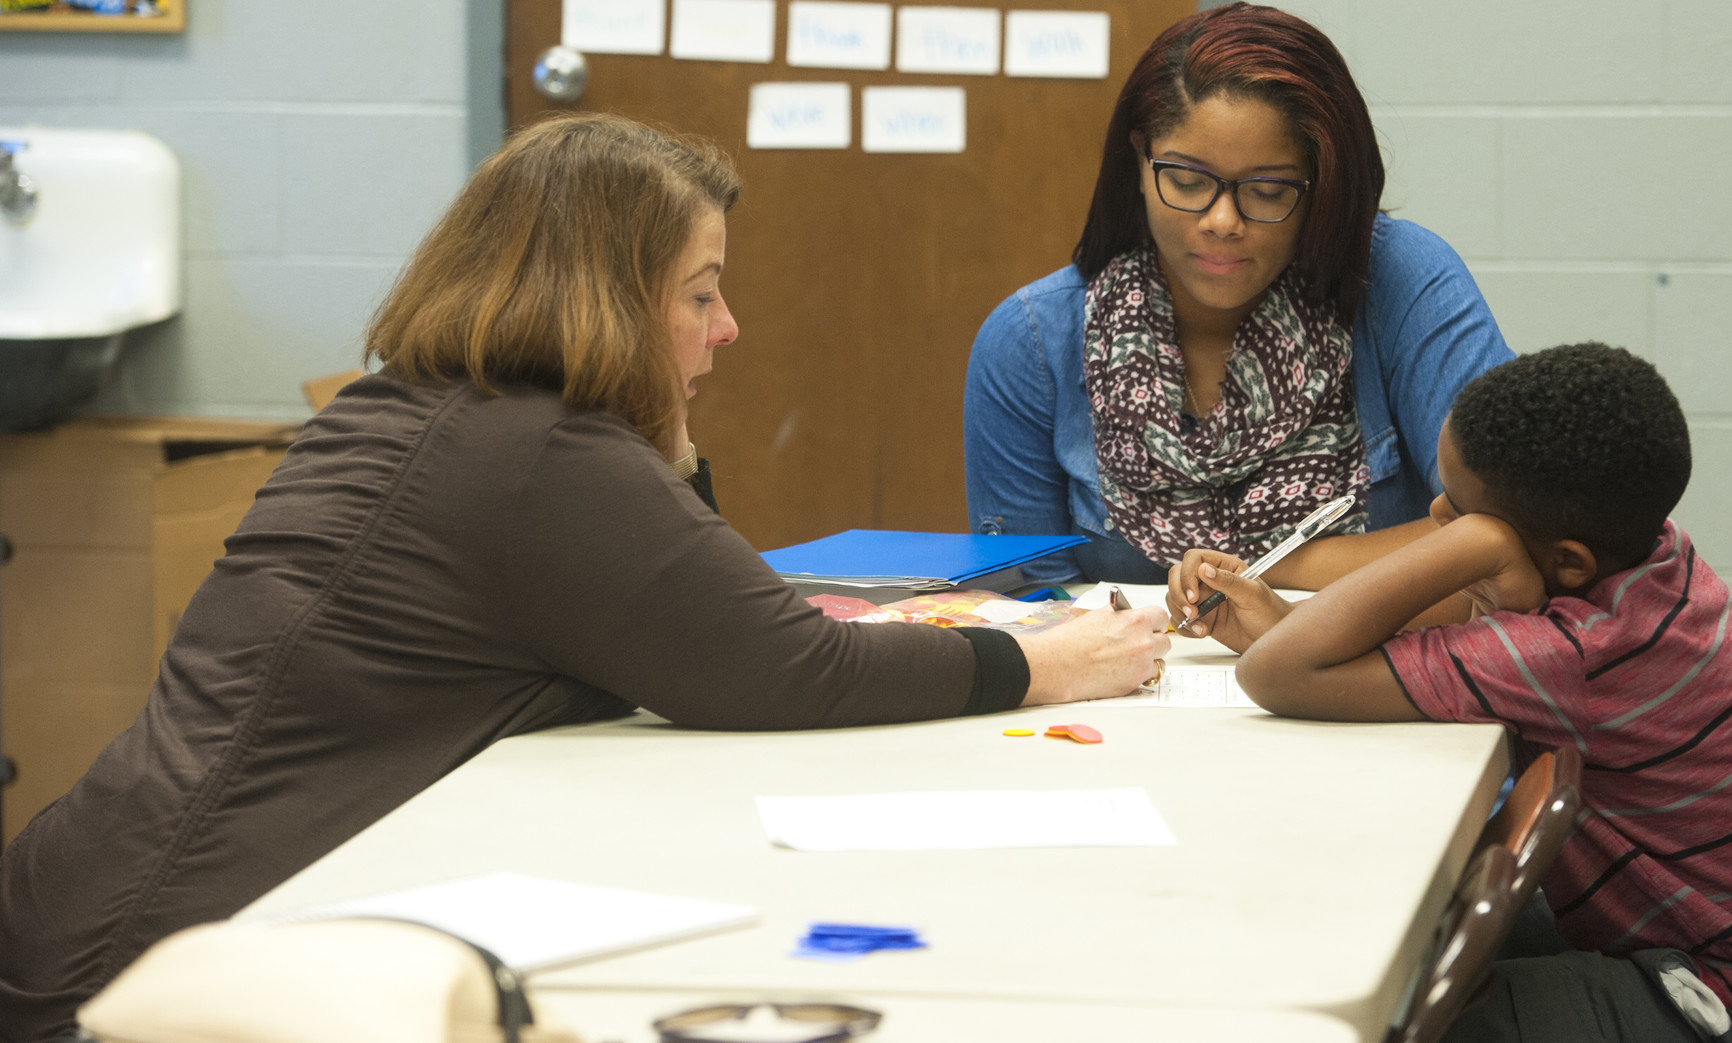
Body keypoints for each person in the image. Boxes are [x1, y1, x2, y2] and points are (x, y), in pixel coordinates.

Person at [0, 114, 1168, 1043]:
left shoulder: (438, 407)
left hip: (116, 914)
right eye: (700, 293)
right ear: (607, 299)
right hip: (150, 978)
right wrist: (1044, 658)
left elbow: (689, 618)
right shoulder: (541, 453)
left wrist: (666, 434)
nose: (729, 328)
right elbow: (781, 665)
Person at [1176, 344, 1732, 1043]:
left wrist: (1469, 548)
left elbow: (1278, 676)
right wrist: (1290, 622)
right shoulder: (1654, 562)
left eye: (1462, 513)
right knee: (1404, 930)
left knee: (1398, 1015)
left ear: (1565, 561)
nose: (1434, 509)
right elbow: (1374, 641)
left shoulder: (1576, 653)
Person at [964, 3, 1511, 587]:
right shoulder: (1032, 342)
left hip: (1360, 676)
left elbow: (1506, 536)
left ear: (1322, 185)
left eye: (1269, 190)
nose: (1222, 221)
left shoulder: (1404, 281)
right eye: (1188, 181)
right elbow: (1027, 608)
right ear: (1139, 162)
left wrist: (1264, 571)